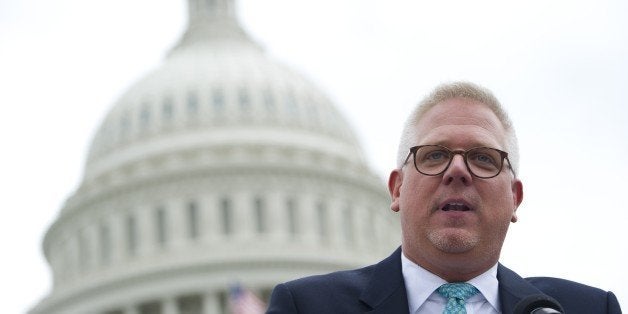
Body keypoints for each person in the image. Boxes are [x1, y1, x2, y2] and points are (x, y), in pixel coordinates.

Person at [266, 81, 622, 313]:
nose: (457, 171)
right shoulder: (307, 306)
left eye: (483, 158)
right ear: (397, 189)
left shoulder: (585, 308)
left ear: (515, 197)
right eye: (434, 155)